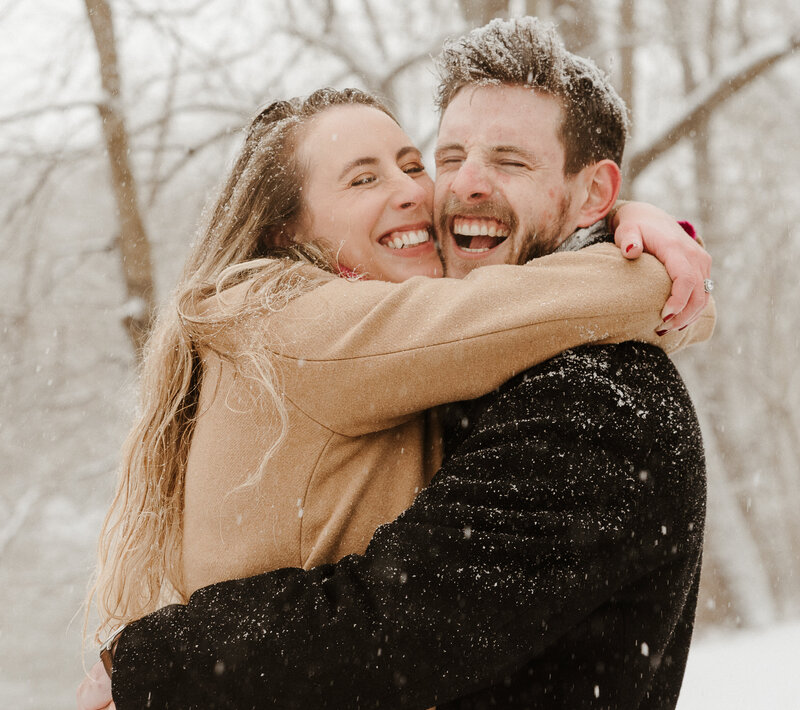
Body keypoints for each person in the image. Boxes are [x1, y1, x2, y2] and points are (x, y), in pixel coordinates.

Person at [78, 18, 715, 710]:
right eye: (364, 179)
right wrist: (657, 272)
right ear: (287, 231)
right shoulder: (295, 325)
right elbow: (391, 627)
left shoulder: (591, 395)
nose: (427, 192)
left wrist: (158, 660)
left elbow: (410, 624)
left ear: (591, 191)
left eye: (414, 165)